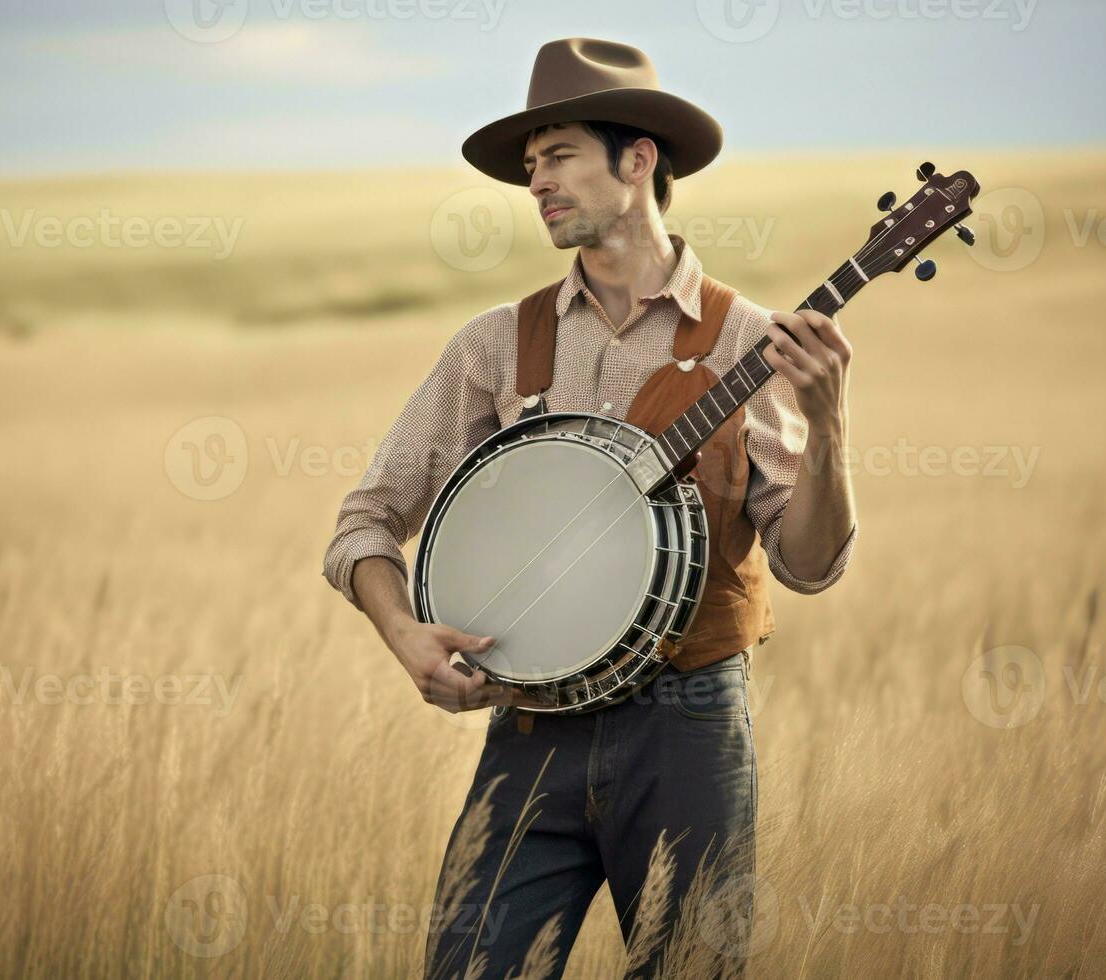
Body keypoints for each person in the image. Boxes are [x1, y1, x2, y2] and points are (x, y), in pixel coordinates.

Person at [321, 36, 858, 980]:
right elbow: (366, 521)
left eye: (559, 153)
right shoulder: (496, 345)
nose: (537, 183)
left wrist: (829, 428)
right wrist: (403, 634)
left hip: (688, 729)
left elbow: (809, 566)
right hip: (528, 734)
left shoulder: (748, 340)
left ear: (638, 159)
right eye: (530, 167)